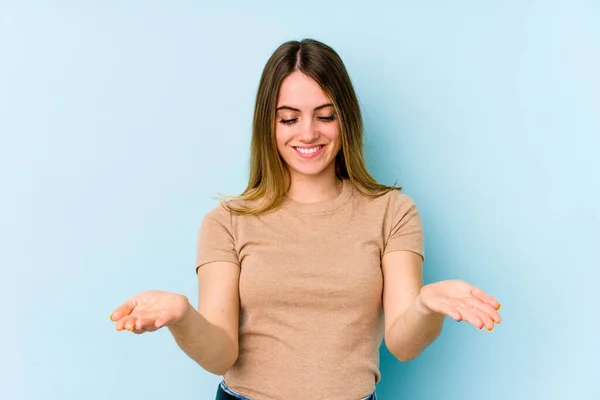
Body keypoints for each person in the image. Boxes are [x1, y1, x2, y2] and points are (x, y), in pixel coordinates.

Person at [109, 38, 502, 400]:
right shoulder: (227, 221)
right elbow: (219, 354)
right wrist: (181, 316)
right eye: (289, 118)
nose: (308, 133)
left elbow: (403, 344)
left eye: (325, 116)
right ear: (269, 124)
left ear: (345, 118)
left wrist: (426, 306)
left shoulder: (392, 212)